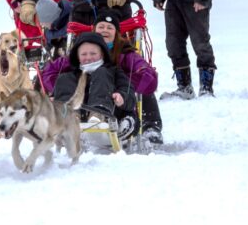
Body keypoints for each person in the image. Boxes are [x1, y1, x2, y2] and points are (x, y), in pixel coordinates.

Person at [40, 9, 164, 144]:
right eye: (101, 26)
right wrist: (59, 90)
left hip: (114, 97)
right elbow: (49, 72)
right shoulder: (82, 51)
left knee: (129, 86)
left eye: (110, 27)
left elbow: (149, 77)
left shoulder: (126, 54)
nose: (105, 30)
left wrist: (117, 79)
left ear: (116, 33)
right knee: (66, 79)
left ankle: (150, 126)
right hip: (82, 97)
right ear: (94, 30)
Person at [52, 32, 136, 141]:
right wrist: (53, 98)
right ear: (77, 57)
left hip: (111, 115)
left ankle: (98, 116)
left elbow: (128, 92)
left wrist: (122, 98)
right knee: (64, 78)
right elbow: (61, 93)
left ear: (102, 54)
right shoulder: (72, 76)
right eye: (84, 54)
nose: (88, 57)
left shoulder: (113, 71)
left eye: (93, 53)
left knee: (102, 72)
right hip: (79, 115)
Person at [6, 0, 71, 55]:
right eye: (14, 4)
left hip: (65, 29)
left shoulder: (41, 4)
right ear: (13, 9)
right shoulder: (21, 26)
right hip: (51, 46)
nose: (19, 4)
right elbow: (26, 46)